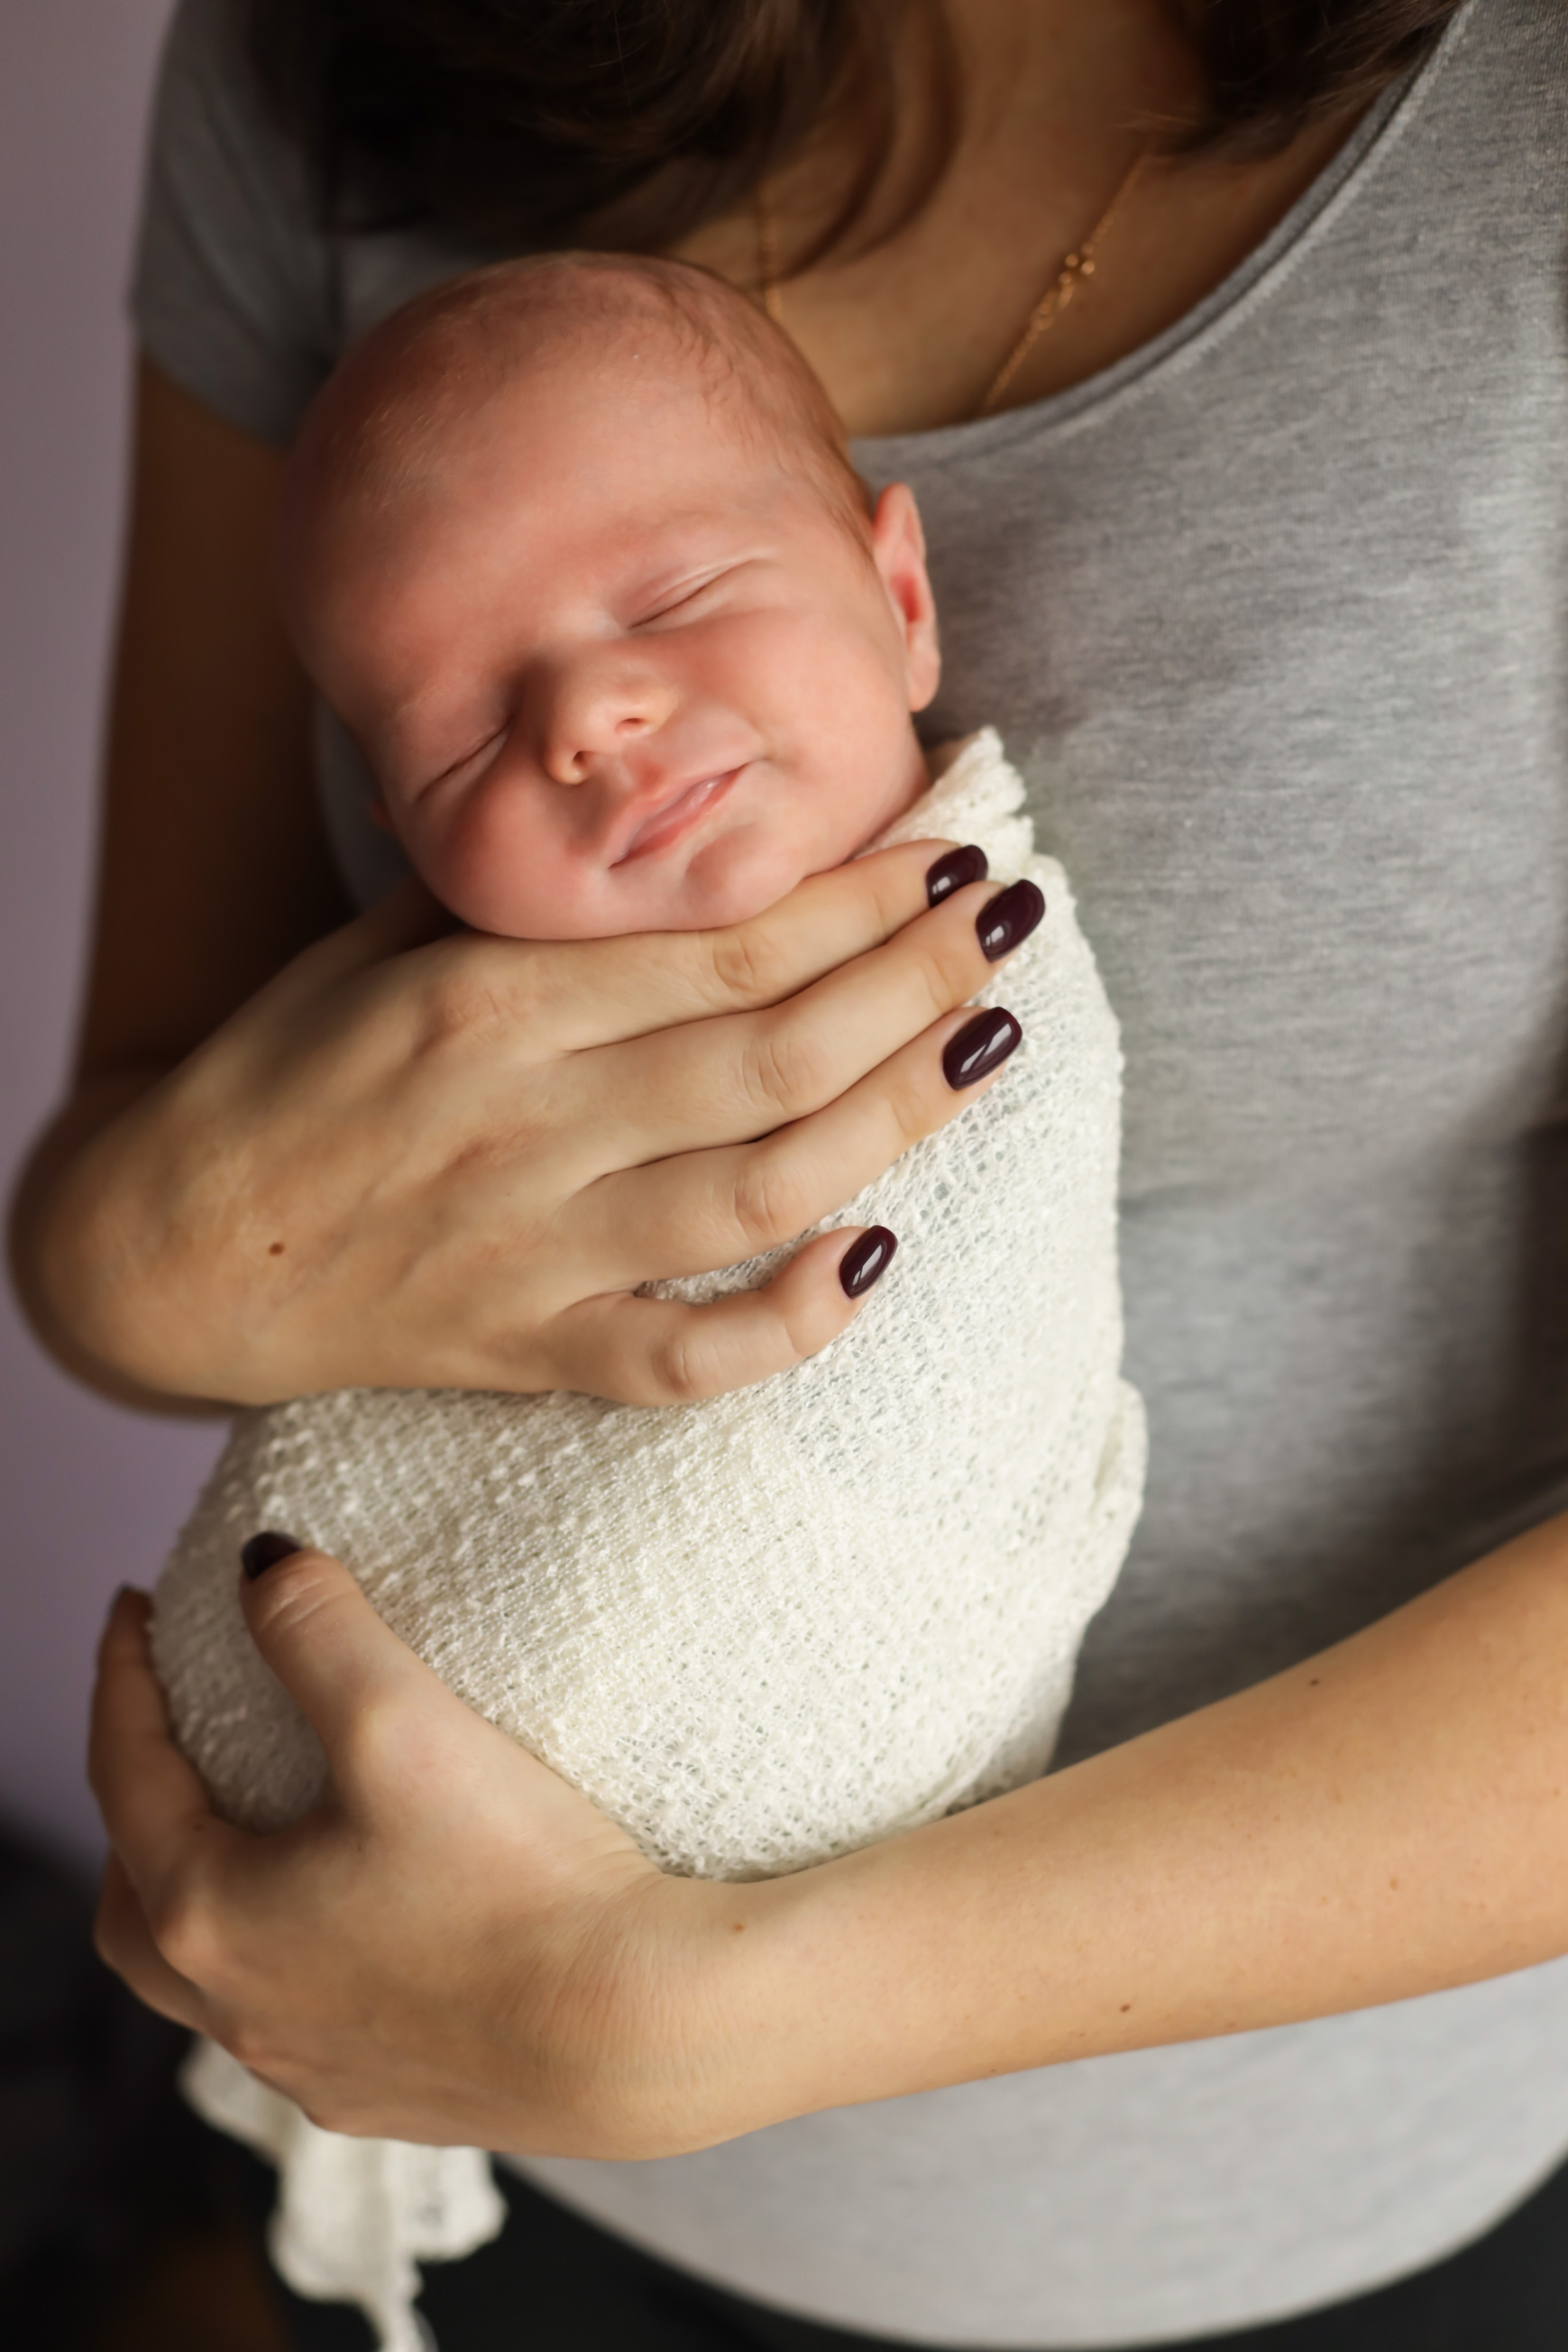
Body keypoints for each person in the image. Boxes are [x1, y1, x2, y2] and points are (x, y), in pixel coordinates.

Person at [14, 0, 1568, 2346]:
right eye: (457, 735)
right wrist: (154, 1267)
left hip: (1297, 2185)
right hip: (446, 2103)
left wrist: (697, 2005)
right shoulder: (337, 54)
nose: (590, 723)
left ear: (897, 584)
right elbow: (132, 1182)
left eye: (662, 609)